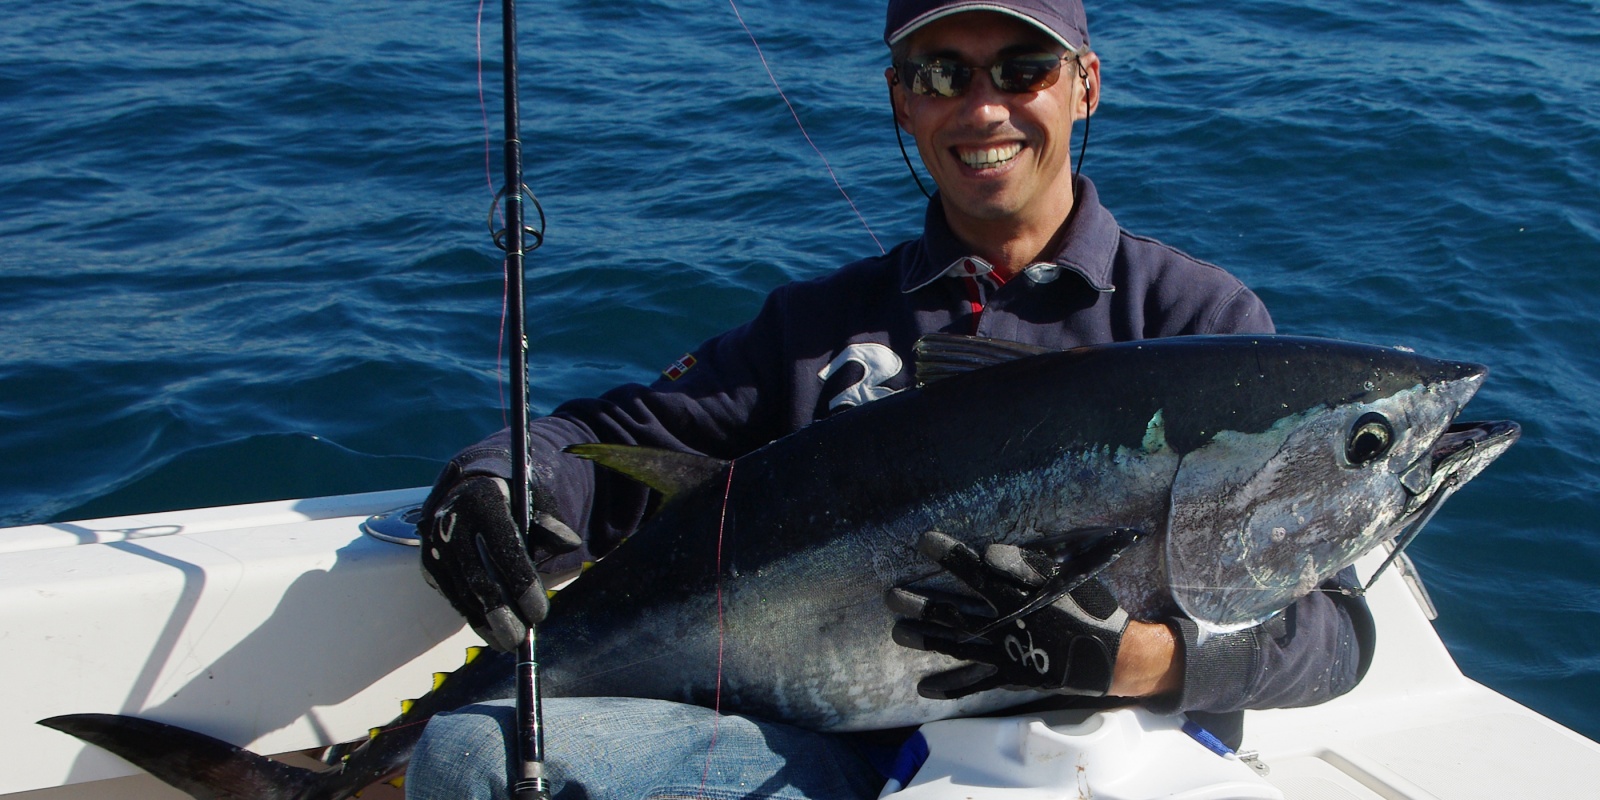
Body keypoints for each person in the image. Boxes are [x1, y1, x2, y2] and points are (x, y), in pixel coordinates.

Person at [404, 0, 1374, 797]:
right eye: (942, 72)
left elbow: (1333, 636)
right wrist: (495, 481)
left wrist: (1129, 661)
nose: (983, 107)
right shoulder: (817, 326)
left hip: (1099, 764)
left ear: (1084, 83)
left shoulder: (1197, 326)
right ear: (900, 101)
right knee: (468, 757)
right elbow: (606, 445)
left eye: (1021, 66)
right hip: (830, 758)